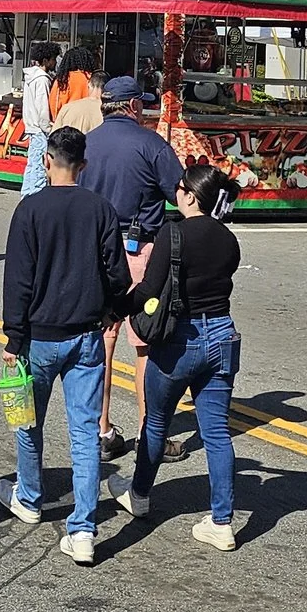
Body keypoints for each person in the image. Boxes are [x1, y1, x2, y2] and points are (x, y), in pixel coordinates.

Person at [0, 125, 129, 564]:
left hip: (37, 338)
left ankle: (30, 497)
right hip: (87, 336)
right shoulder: (101, 209)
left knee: (28, 422)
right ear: (84, 165)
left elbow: (17, 280)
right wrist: (112, 309)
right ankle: (84, 529)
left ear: (44, 161)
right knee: (84, 433)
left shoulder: (30, 210)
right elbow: (118, 276)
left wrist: (13, 336)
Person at [117, 163, 245, 549]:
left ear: (190, 195)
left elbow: (147, 291)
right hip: (221, 333)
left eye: (179, 187)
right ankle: (222, 522)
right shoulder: (228, 238)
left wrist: (112, 309)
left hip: (180, 339)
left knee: (156, 423)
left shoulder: (172, 233)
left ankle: (139, 495)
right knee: (218, 432)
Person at [74, 72, 183, 460]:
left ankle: (100, 431)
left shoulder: (84, 144)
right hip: (138, 250)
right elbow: (181, 194)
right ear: (134, 105)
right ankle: (149, 433)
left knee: (101, 343)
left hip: (94, 249)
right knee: (146, 345)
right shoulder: (151, 144)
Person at [18, 40, 60, 194]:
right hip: (40, 131)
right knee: (39, 169)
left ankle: (27, 196)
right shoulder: (42, 80)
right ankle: (33, 198)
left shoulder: (30, 77)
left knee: (32, 166)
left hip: (31, 128)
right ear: (45, 60)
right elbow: (43, 110)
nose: (55, 62)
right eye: (53, 59)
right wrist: (50, 129)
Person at [50, 43, 103, 133]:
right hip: (90, 125)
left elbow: (54, 105)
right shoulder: (91, 78)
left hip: (66, 124)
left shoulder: (61, 81)